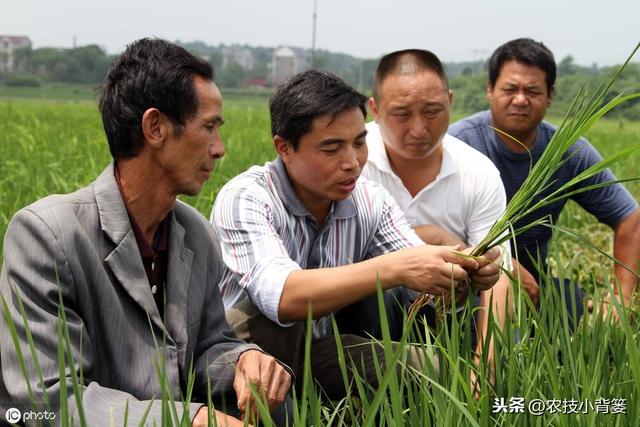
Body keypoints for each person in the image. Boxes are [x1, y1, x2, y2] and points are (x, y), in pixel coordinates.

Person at [0, 38, 291, 427]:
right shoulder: (47, 235)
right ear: (155, 127)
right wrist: (190, 420)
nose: (219, 149)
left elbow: (207, 345)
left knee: (280, 402)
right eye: (208, 127)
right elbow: (48, 399)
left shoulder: (195, 234)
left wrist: (243, 360)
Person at [211, 69, 502, 398]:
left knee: (440, 373)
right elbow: (281, 298)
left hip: (315, 351)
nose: (352, 162)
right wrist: (396, 267)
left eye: (359, 143)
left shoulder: (369, 200)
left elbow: (422, 278)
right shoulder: (248, 197)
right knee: (265, 323)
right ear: (284, 147)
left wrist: (460, 275)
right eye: (331, 148)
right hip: (241, 357)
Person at [449, 38, 640, 321]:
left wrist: (621, 300)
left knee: (573, 317)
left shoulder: (569, 152)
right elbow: (427, 227)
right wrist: (506, 266)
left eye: (533, 91)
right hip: (466, 283)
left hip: (537, 286)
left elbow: (630, 219)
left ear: (550, 95)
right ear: (490, 90)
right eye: (510, 89)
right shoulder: (459, 145)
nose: (520, 100)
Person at [361, 49, 512, 357]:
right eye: (401, 114)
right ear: (374, 109)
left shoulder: (478, 173)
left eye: (432, 112)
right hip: (365, 316)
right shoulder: (351, 161)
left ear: (450, 101)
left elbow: (500, 279)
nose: (418, 129)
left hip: (449, 313)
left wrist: (486, 368)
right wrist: (423, 241)